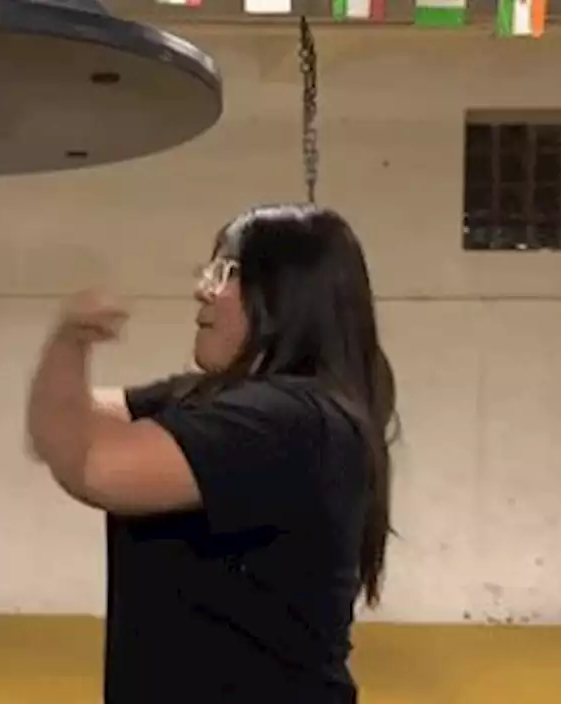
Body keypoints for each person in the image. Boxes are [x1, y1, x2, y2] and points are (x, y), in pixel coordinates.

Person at [26, 204, 397, 703]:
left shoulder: (286, 421)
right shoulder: (215, 399)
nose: (204, 289)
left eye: (228, 273)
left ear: (285, 294)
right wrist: (67, 344)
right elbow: (64, 428)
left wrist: (71, 338)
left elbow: (90, 465)